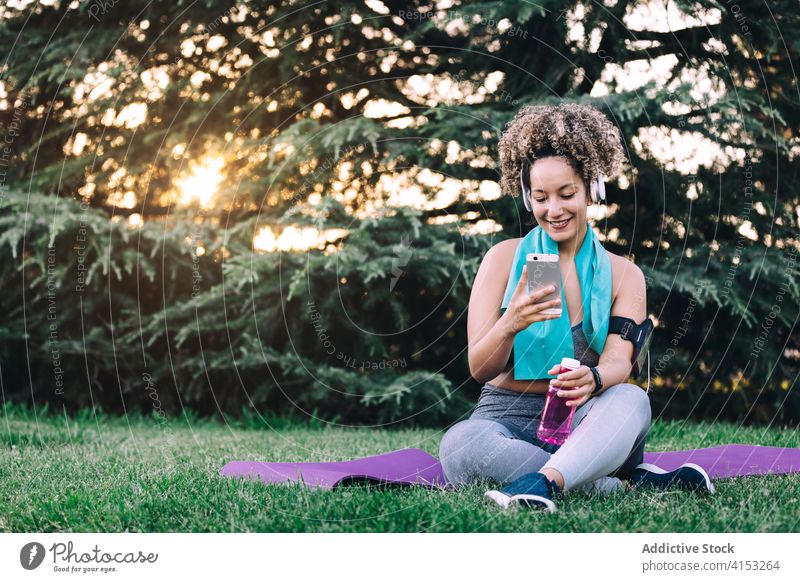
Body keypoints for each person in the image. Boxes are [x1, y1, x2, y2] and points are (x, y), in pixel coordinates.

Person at [438, 103, 714, 512]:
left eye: (567, 194)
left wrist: (596, 378)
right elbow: (480, 368)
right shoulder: (501, 259)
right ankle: (614, 485)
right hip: (503, 419)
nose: (554, 210)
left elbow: (620, 362)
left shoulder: (624, 275)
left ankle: (542, 482)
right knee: (460, 445)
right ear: (527, 196)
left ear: (592, 188)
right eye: (540, 197)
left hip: (588, 421)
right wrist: (509, 323)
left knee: (632, 401)